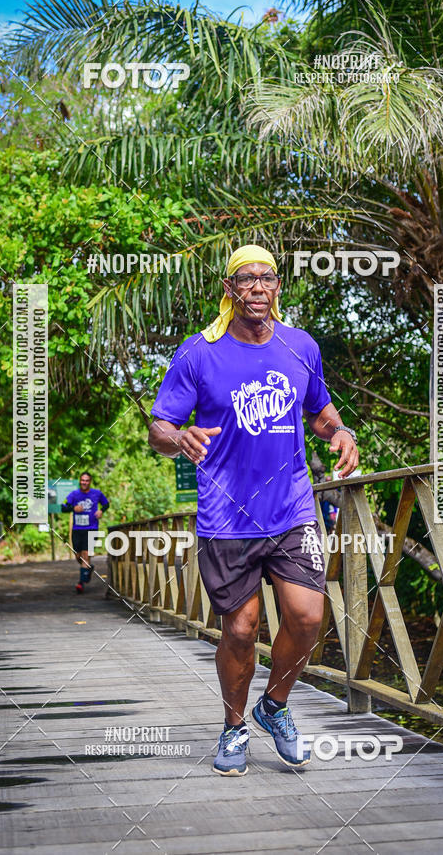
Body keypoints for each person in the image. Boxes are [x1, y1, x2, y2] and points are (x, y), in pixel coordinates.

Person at [148, 244, 359, 776]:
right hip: (225, 515)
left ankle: (276, 705)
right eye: (247, 279)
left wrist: (342, 433)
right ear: (230, 290)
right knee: (241, 630)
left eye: (267, 278)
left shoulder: (299, 347)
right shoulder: (197, 354)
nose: (258, 288)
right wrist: (179, 439)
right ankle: (234, 726)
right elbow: (159, 428)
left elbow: (321, 413)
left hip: (291, 507)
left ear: (278, 288)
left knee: (308, 616)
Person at [61, 472, 109, 593]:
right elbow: (63, 507)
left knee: (86, 554)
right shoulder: (74, 494)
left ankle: (81, 583)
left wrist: (101, 511)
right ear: (79, 481)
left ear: (90, 482)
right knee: (78, 556)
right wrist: (73, 508)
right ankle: (88, 568)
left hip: (91, 528)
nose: (84, 482)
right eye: (82, 480)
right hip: (77, 530)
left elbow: (106, 503)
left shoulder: (97, 493)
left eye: (87, 480)